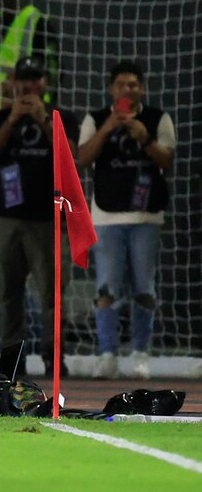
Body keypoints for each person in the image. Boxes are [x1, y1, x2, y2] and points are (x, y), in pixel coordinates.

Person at [78, 60, 175, 380]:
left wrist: (144, 138)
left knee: (144, 286)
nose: (127, 90)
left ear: (142, 88)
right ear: (112, 88)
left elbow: (167, 160)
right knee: (107, 285)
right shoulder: (96, 118)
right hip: (106, 215)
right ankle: (107, 353)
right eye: (121, 84)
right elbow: (83, 159)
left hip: (146, 214)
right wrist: (109, 128)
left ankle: (141, 352)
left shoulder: (157, 118)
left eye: (133, 84)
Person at [0, 56, 76, 377]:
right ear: (14, 82)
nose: (27, 86)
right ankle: (13, 356)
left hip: (45, 216)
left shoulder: (60, 118)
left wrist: (43, 120)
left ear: (43, 84)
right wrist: (11, 120)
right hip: (6, 216)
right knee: (9, 290)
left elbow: (71, 159)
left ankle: (54, 357)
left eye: (34, 80)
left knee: (50, 291)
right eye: (22, 79)